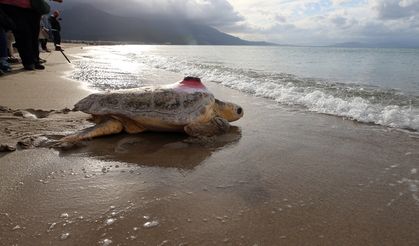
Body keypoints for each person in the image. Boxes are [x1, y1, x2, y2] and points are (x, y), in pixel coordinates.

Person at [0, 0, 62, 71]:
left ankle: (35, 61)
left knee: (34, 35)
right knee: (23, 34)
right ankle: (28, 62)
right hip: (13, 5)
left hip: (33, 6)